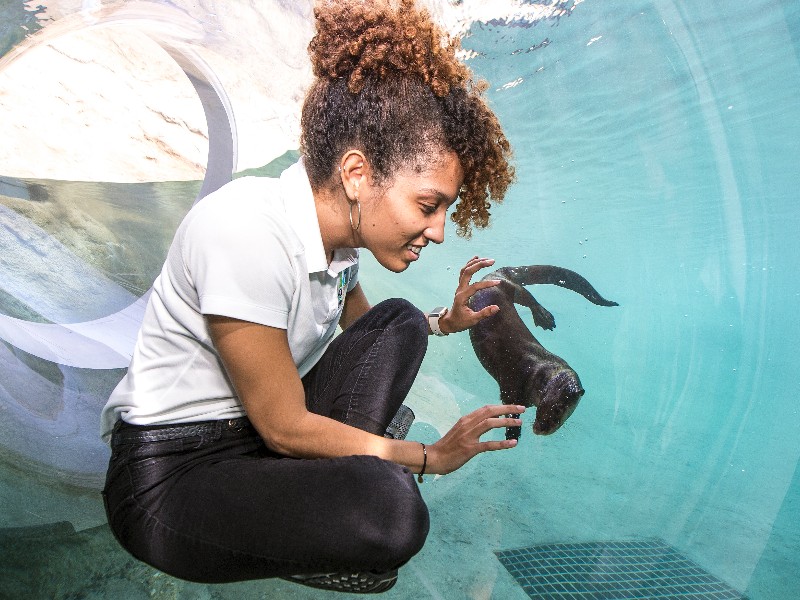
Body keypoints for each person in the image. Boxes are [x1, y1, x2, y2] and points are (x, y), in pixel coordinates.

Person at [101, 0, 519, 593]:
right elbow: (282, 427)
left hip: (259, 434)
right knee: (393, 515)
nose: (439, 231)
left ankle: (332, 482)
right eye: (428, 206)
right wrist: (423, 455)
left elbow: (370, 337)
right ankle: (335, 503)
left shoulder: (338, 243)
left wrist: (443, 322)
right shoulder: (245, 229)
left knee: (399, 321)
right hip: (172, 477)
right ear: (357, 175)